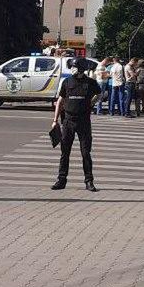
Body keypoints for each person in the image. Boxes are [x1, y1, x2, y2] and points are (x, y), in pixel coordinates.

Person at [51, 57, 99, 191]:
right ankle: (61, 180)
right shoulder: (67, 82)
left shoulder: (90, 83)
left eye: (74, 66)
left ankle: (89, 181)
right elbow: (60, 101)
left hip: (83, 122)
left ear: (81, 69)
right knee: (65, 152)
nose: (72, 69)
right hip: (68, 121)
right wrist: (55, 120)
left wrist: (92, 102)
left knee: (85, 153)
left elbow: (100, 93)